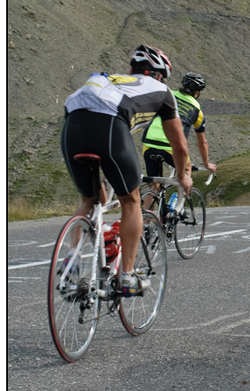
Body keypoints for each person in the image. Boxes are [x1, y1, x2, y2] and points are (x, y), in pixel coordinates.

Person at [60, 44, 192, 296]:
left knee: (91, 200)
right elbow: (180, 146)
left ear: (134, 70)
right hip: (109, 124)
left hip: (72, 124)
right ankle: (126, 277)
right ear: (158, 74)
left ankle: (71, 260)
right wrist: (183, 175)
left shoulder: (110, 78)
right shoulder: (163, 91)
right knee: (130, 200)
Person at [141, 72, 216, 204]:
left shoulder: (168, 94)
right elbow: (202, 141)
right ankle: (177, 207)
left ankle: (148, 222)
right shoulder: (197, 109)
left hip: (149, 143)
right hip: (171, 147)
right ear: (197, 92)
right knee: (186, 171)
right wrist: (206, 164)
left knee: (154, 187)